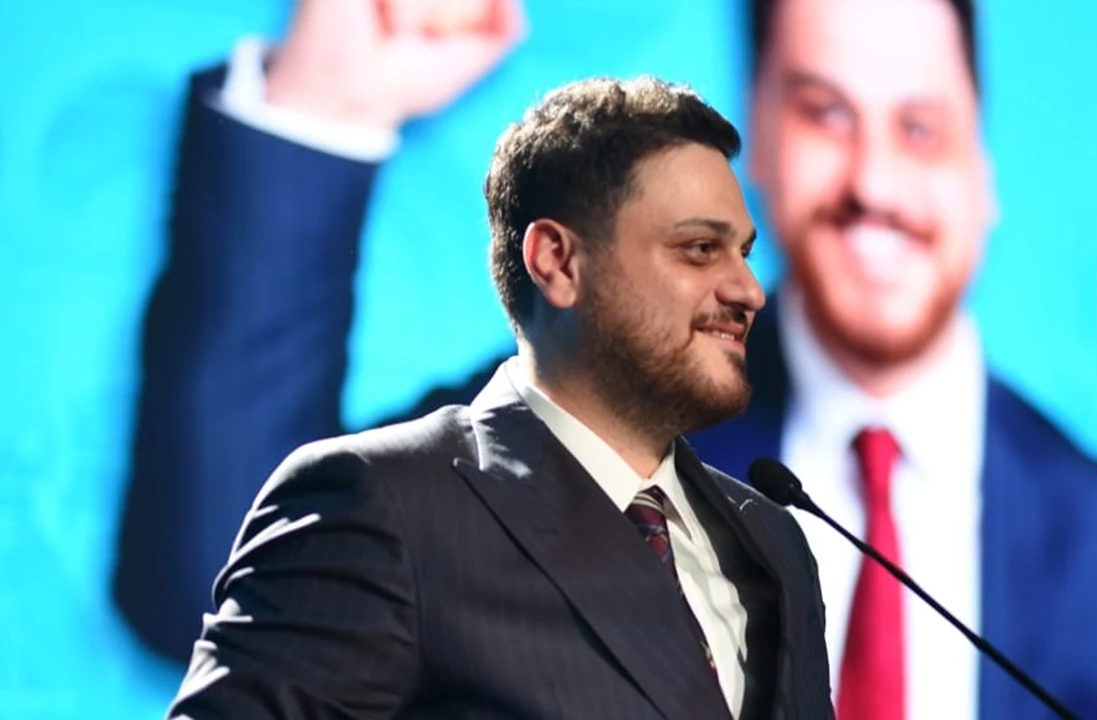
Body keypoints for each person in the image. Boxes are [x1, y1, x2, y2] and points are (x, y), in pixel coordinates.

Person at [118, 0, 1097, 718]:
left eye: (921, 128)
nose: (874, 181)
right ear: (757, 136)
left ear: (984, 169)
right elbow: (220, 572)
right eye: (825, 114)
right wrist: (326, 104)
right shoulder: (581, 401)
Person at [164, 73, 834, 719]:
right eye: (699, 248)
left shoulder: (773, 538)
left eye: (745, 253)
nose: (749, 290)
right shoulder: (385, 506)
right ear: (557, 261)